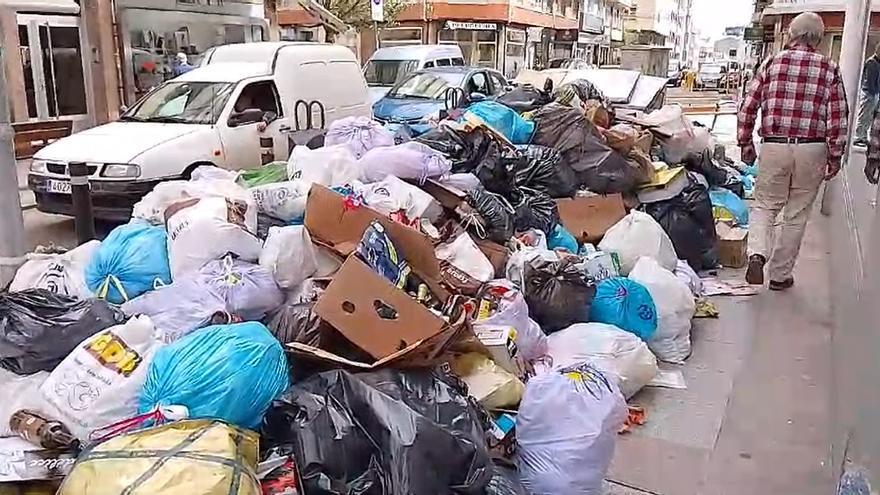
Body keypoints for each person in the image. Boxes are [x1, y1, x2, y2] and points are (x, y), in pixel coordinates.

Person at [737, 12, 848, 291]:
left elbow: (748, 107)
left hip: (774, 145)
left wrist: (746, 143)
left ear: (791, 35)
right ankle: (779, 275)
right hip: (812, 148)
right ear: (819, 38)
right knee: (796, 214)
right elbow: (838, 119)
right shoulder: (829, 68)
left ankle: (757, 254)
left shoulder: (772, 63)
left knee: (765, 205)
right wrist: (835, 156)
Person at [855, 44, 880, 147]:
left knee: (869, 116)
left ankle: (864, 136)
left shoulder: (877, 63)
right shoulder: (871, 62)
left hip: (875, 93)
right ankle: (859, 136)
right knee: (864, 114)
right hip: (868, 92)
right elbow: (869, 80)